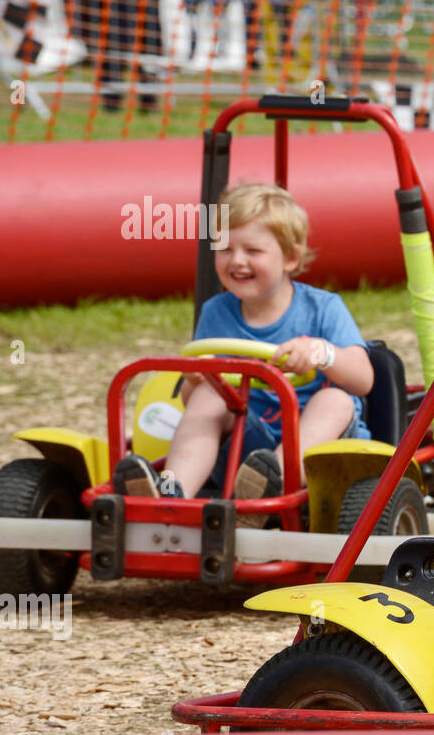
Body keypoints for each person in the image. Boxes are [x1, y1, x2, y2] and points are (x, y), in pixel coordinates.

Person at [113, 184, 374, 525]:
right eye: (224, 248)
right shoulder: (216, 312)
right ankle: (171, 495)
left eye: (253, 250)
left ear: (290, 258)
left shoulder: (323, 308)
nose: (237, 260)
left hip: (319, 445)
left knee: (337, 400)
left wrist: (321, 353)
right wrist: (196, 379)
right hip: (244, 445)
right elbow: (195, 402)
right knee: (208, 394)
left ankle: (273, 484)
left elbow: (364, 379)